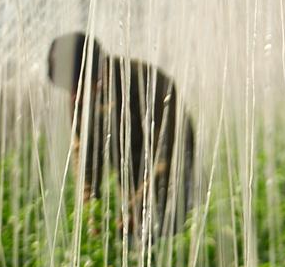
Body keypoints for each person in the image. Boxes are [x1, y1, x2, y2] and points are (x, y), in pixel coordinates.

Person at [48, 32, 194, 237]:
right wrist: (92, 213)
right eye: (69, 90)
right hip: (134, 193)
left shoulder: (149, 84)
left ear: (97, 70)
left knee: (172, 239)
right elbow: (86, 162)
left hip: (176, 188)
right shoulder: (80, 100)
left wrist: (138, 207)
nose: (74, 98)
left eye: (78, 88)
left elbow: (172, 156)